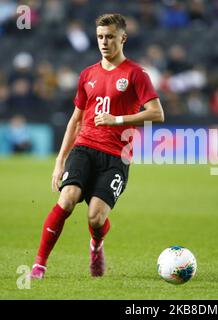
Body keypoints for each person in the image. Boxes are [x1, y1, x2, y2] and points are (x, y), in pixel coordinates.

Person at [30, 13, 165, 279]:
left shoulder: (137, 75)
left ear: (123, 38)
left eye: (110, 37)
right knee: (67, 199)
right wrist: (59, 162)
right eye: (100, 37)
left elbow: (157, 113)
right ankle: (39, 264)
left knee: (96, 217)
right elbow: (75, 121)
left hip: (117, 156)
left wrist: (118, 120)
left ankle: (96, 245)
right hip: (85, 147)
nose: (104, 42)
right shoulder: (87, 74)